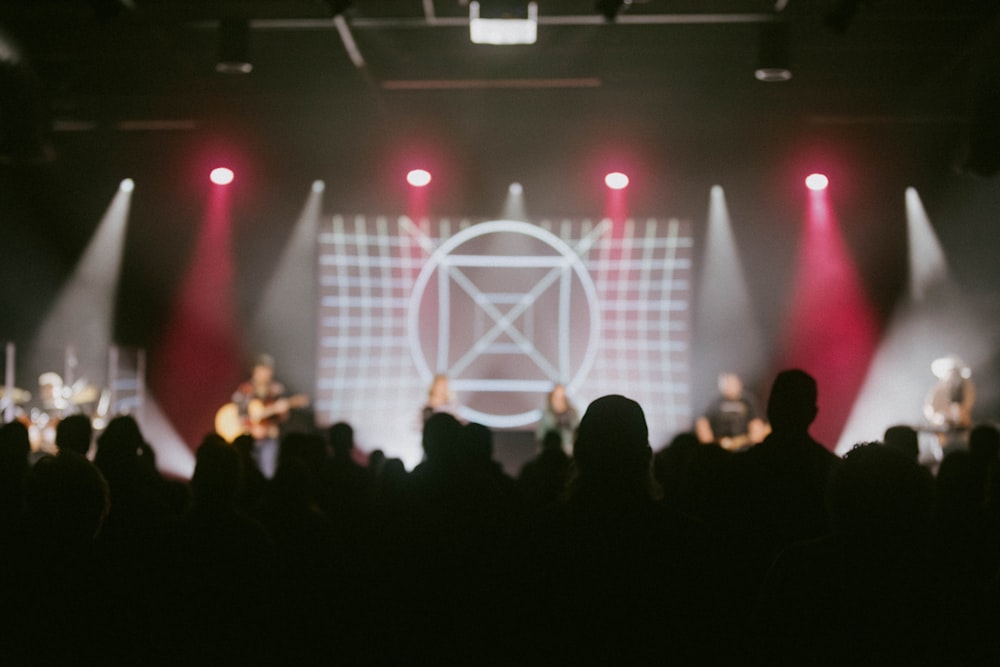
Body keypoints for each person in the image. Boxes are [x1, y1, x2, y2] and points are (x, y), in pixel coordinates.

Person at [230, 354, 305, 478]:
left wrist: (281, 411)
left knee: (268, 473)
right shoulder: (245, 389)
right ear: (255, 370)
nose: (265, 373)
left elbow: (282, 419)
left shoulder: (276, 390)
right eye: (262, 369)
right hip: (247, 439)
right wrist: (250, 426)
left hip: (269, 440)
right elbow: (238, 413)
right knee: (245, 473)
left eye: (268, 370)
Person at [695, 372, 767, 451]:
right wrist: (709, 447)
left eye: (733, 383)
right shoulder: (715, 401)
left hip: (743, 445)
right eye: (728, 383)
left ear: (739, 384)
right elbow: (702, 423)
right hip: (718, 445)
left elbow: (756, 423)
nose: (731, 386)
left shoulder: (748, 401)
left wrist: (755, 442)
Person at [924, 354, 975, 453]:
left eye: (955, 372)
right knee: (942, 445)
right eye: (951, 372)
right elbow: (930, 408)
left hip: (962, 425)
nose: (953, 375)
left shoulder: (966, 387)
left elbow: (968, 403)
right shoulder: (938, 389)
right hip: (943, 426)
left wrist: (959, 414)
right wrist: (942, 417)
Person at [535, 383, 579, 455]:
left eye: (561, 397)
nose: (559, 400)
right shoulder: (546, 414)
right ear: (552, 397)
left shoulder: (573, 413)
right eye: (556, 397)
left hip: (570, 450)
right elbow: (540, 434)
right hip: (550, 450)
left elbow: (576, 430)